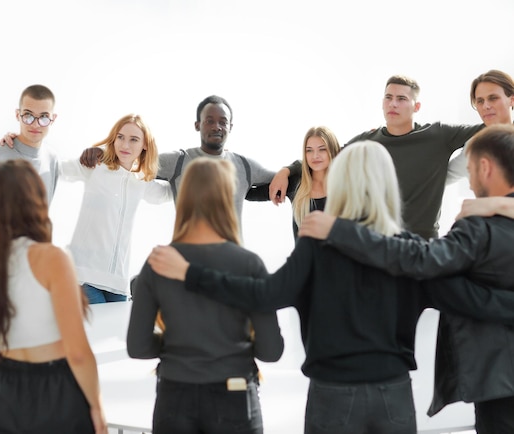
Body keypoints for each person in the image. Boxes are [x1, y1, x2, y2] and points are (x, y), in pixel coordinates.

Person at [146, 141, 514, 434]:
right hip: (394, 397)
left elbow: (265, 295)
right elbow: (470, 300)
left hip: (332, 395)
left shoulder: (317, 243)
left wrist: (191, 273)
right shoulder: (410, 252)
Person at [299, 124, 514, 433]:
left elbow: (424, 261)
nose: (470, 182)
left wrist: (339, 230)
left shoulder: (477, 228)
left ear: (484, 167)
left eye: (468, 171)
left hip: (500, 380)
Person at [127, 157, 284, 434]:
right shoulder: (250, 264)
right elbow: (271, 351)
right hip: (235, 394)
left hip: (174, 397)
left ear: (184, 197)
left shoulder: (158, 262)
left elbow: (137, 346)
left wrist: (177, 345)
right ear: (227, 197)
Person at [0, 159, 107, 434]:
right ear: (34, 201)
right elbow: (77, 353)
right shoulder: (52, 258)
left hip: (2, 390)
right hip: (57, 390)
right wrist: (97, 408)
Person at [269, 75, 483, 240]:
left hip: (423, 247)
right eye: (388, 98)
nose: (393, 104)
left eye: (401, 99)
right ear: (382, 103)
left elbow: (491, 129)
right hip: (377, 246)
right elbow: (325, 155)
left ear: (416, 107)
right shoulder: (367, 141)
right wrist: (286, 170)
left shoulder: (438, 135)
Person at [79, 95, 277, 224]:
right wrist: (101, 153)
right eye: (210, 121)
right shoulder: (180, 161)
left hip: (232, 265)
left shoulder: (245, 166)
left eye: (223, 122)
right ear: (197, 125)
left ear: (231, 127)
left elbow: (280, 182)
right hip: (187, 261)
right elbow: (134, 156)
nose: (217, 126)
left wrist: (291, 170)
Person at [61, 114, 171, 303]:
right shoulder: (95, 166)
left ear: (145, 145)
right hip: (84, 275)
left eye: (133, 139)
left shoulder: (141, 182)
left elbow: (168, 193)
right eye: (120, 137)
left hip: (118, 283)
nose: (125, 145)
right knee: (96, 331)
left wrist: (209, 166)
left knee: (116, 333)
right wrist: (17, 147)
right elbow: (54, 169)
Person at [246, 126, 340, 239]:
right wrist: (225, 162)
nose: (315, 156)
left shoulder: (348, 186)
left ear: (332, 149)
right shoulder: (296, 183)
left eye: (322, 149)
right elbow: (249, 192)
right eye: (309, 150)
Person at [0, 84, 59, 205]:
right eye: (28, 115)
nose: (35, 124)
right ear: (17, 115)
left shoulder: (52, 159)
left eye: (44, 117)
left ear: (53, 119)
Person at [447, 70, 514, 220]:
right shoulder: (474, 148)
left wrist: (492, 205)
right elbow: (441, 179)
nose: (486, 106)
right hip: (492, 236)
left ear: (512, 100)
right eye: (480, 101)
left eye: (493, 98)